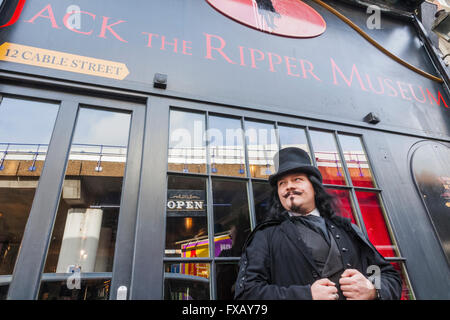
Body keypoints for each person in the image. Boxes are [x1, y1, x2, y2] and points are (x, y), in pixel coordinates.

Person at [234, 147, 402, 300]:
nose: (288, 187)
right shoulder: (265, 236)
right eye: (282, 183)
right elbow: (247, 294)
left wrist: (373, 289)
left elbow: (385, 274)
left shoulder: (347, 229)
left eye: (297, 179)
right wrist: (306, 295)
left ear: (314, 186)